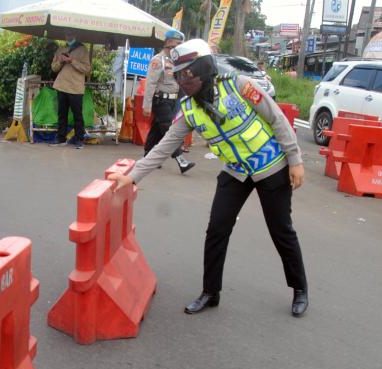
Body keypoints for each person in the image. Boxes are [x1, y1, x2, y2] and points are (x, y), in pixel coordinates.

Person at [109, 39, 309, 317]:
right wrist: (132, 176)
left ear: (204, 68)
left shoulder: (238, 85)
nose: (184, 80)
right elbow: (164, 146)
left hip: (271, 166)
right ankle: (210, 292)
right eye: (179, 75)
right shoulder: (189, 108)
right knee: (217, 229)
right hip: (236, 172)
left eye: (189, 73)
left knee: (281, 230)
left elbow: (277, 119)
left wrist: (295, 160)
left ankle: (300, 289)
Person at [143, 29, 195, 174]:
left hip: (173, 101)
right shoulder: (158, 60)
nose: (179, 46)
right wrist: (146, 105)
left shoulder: (176, 61)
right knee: (169, 130)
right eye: (177, 43)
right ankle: (180, 160)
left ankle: (148, 155)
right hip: (160, 100)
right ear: (169, 42)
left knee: (156, 130)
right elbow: (150, 84)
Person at [50, 31, 90, 148]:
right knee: (61, 114)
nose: (68, 36)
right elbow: (54, 68)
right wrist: (61, 61)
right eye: (67, 34)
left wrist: (72, 61)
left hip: (76, 87)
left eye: (71, 34)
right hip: (61, 85)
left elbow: (87, 69)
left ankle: (79, 139)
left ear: (75, 35)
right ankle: (60, 138)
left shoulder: (83, 50)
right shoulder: (61, 49)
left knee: (77, 115)